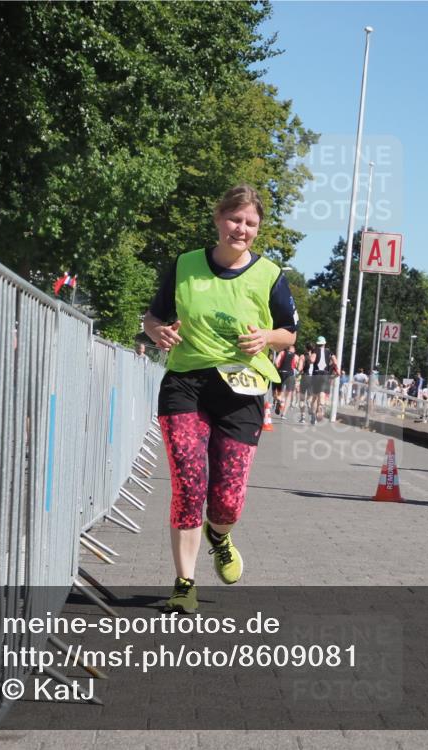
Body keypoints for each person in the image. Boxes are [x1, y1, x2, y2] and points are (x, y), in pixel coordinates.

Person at [143, 185, 298, 613]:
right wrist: (157, 331)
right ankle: (184, 583)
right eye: (234, 219)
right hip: (186, 384)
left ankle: (220, 534)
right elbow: (153, 316)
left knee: (227, 500)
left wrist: (266, 337)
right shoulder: (185, 265)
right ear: (218, 219)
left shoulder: (270, 275)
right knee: (188, 484)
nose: (241, 229)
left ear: (258, 228)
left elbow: (289, 333)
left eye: (250, 223)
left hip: (242, 390)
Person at [306, 335, 338, 425]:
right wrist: (330, 366)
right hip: (325, 374)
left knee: (314, 397)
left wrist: (309, 358)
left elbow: (312, 360)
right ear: (324, 343)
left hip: (316, 374)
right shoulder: (329, 351)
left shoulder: (315, 350)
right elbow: (335, 362)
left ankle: (313, 415)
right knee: (322, 393)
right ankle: (321, 406)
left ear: (317, 343)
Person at [273, 344, 299, 420]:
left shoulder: (282, 353)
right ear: (293, 350)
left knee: (279, 391)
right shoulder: (295, 356)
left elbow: (276, 362)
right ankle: (283, 414)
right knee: (289, 395)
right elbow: (298, 367)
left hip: (281, 373)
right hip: (290, 375)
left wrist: (278, 368)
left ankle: (279, 399)